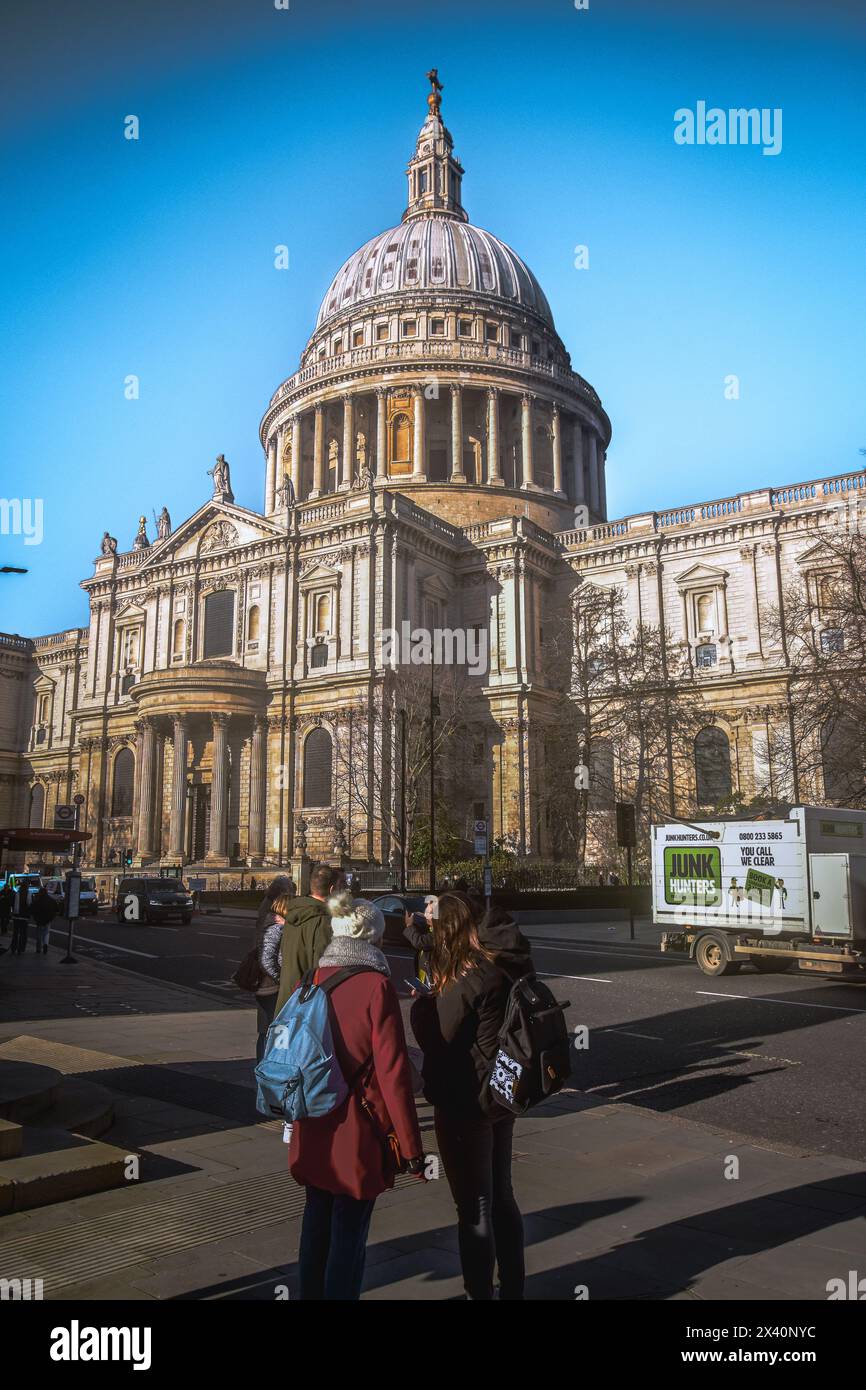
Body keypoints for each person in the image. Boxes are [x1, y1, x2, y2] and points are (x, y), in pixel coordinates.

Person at [289, 890, 426, 1299]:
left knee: (315, 1222)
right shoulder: (375, 986)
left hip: (313, 1123)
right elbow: (393, 1073)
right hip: (357, 1131)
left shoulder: (311, 980)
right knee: (349, 1234)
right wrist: (412, 1149)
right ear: (371, 937)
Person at [410, 890, 532, 1301]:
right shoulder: (504, 963)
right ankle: (512, 1289)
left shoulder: (470, 977)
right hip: (503, 1092)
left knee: (475, 1208)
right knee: (502, 1197)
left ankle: (478, 1294)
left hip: (467, 1100)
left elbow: (436, 1040)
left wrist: (422, 1005)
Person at [263, 862, 340, 1012]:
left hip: (288, 997)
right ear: (332, 889)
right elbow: (323, 967)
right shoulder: (323, 920)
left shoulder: (292, 914)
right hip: (308, 1003)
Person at [253, 875, 295, 1063]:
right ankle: (271, 1069)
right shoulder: (274, 925)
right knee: (275, 1029)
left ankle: (268, 1067)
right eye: (290, 894)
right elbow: (267, 959)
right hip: (270, 986)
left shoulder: (267, 912)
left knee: (268, 1030)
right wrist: (282, 978)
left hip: (266, 984)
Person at [403, 894, 437, 983]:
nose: (425, 915)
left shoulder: (440, 934)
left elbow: (420, 942)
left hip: (432, 979)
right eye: (425, 912)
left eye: (429, 913)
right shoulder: (432, 929)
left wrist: (409, 926)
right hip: (425, 974)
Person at [30, 885, 60, 955]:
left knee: (39, 934)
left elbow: (32, 910)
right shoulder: (51, 900)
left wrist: (35, 917)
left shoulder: (37, 901)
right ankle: (45, 944)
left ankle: (38, 948)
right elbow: (56, 910)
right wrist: (52, 917)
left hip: (39, 920)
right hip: (48, 919)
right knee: (46, 933)